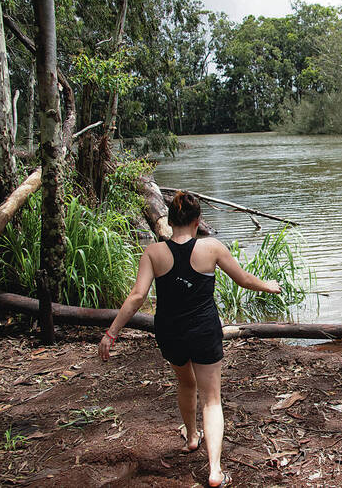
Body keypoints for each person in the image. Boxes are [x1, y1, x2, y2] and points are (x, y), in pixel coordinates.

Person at [98, 191, 280, 488]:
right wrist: (269, 286)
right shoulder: (211, 248)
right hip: (204, 331)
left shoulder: (154, 253)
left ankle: (192, 437)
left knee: (185, 383)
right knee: (211, 400)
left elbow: (136, 297)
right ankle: (215, 470)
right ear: (197, 222)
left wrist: (111, 332)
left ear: (169, 221)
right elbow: (245, 280)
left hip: (170, 333)